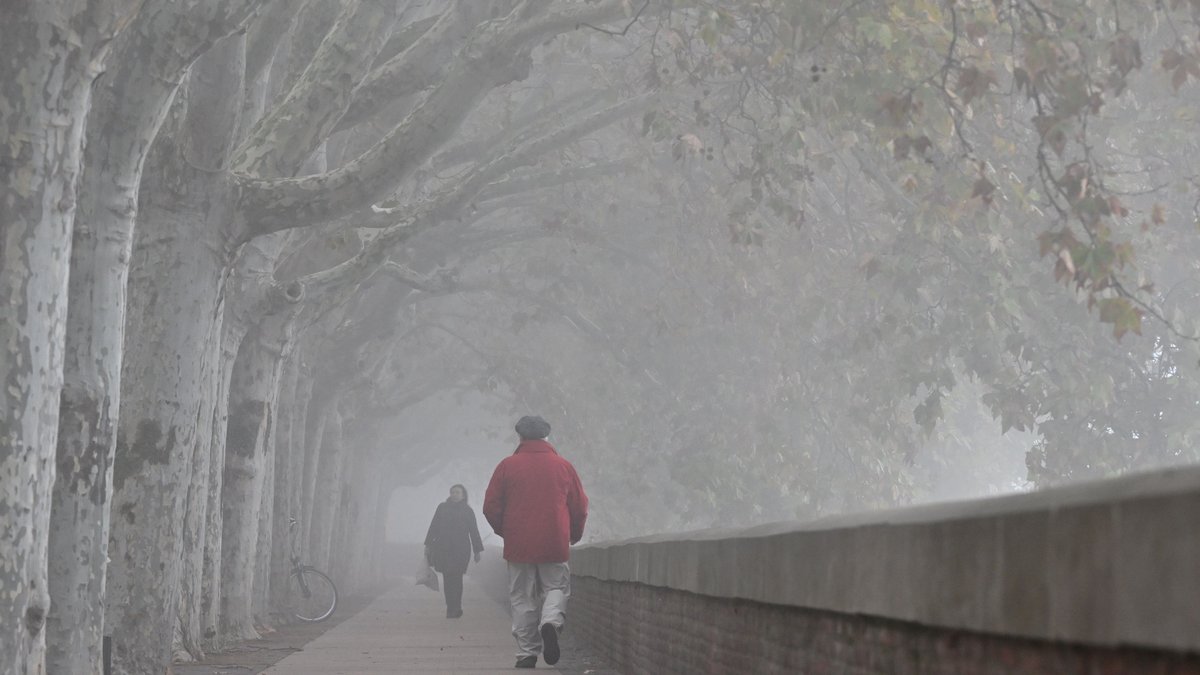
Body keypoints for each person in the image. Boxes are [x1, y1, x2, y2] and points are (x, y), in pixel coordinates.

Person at [483, 416, 588, 669]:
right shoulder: (563, 466)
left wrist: (506, 531)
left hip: (519, 543)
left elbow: (490, 506)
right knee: (556, 587)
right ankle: (550, 621)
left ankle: (526, 653)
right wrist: (574, 534)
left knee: (522, 597)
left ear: (520, 437)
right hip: (554, 540)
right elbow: (580, 506)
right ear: (546, 437)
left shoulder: (507, 466)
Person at [423, 484, 484, 618]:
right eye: (453, 492)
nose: (455, 495)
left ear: (463, 495)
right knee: (447, 579)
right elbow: (433, 527)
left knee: (457, 578)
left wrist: (477, 550)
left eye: (457, 492)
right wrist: (428, 545)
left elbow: (474, 531)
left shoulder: (467, 511)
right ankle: (450, 608)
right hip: (443, 549)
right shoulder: (442, 508)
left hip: (461, 550)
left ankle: (456, 607)